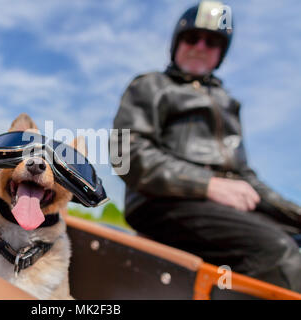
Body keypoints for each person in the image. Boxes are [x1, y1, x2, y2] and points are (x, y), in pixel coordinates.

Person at [110, 1, 301, 292]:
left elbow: (246, 178)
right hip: (163, 202)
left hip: (225, 208)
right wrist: (207, 184)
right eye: (192, 38)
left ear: (220, 53)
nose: (200, 46)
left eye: (212, 42)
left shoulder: (227, 104)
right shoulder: (151, 85)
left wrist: (294, 214)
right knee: (276, 252)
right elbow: (127, 153)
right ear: (177, 42)